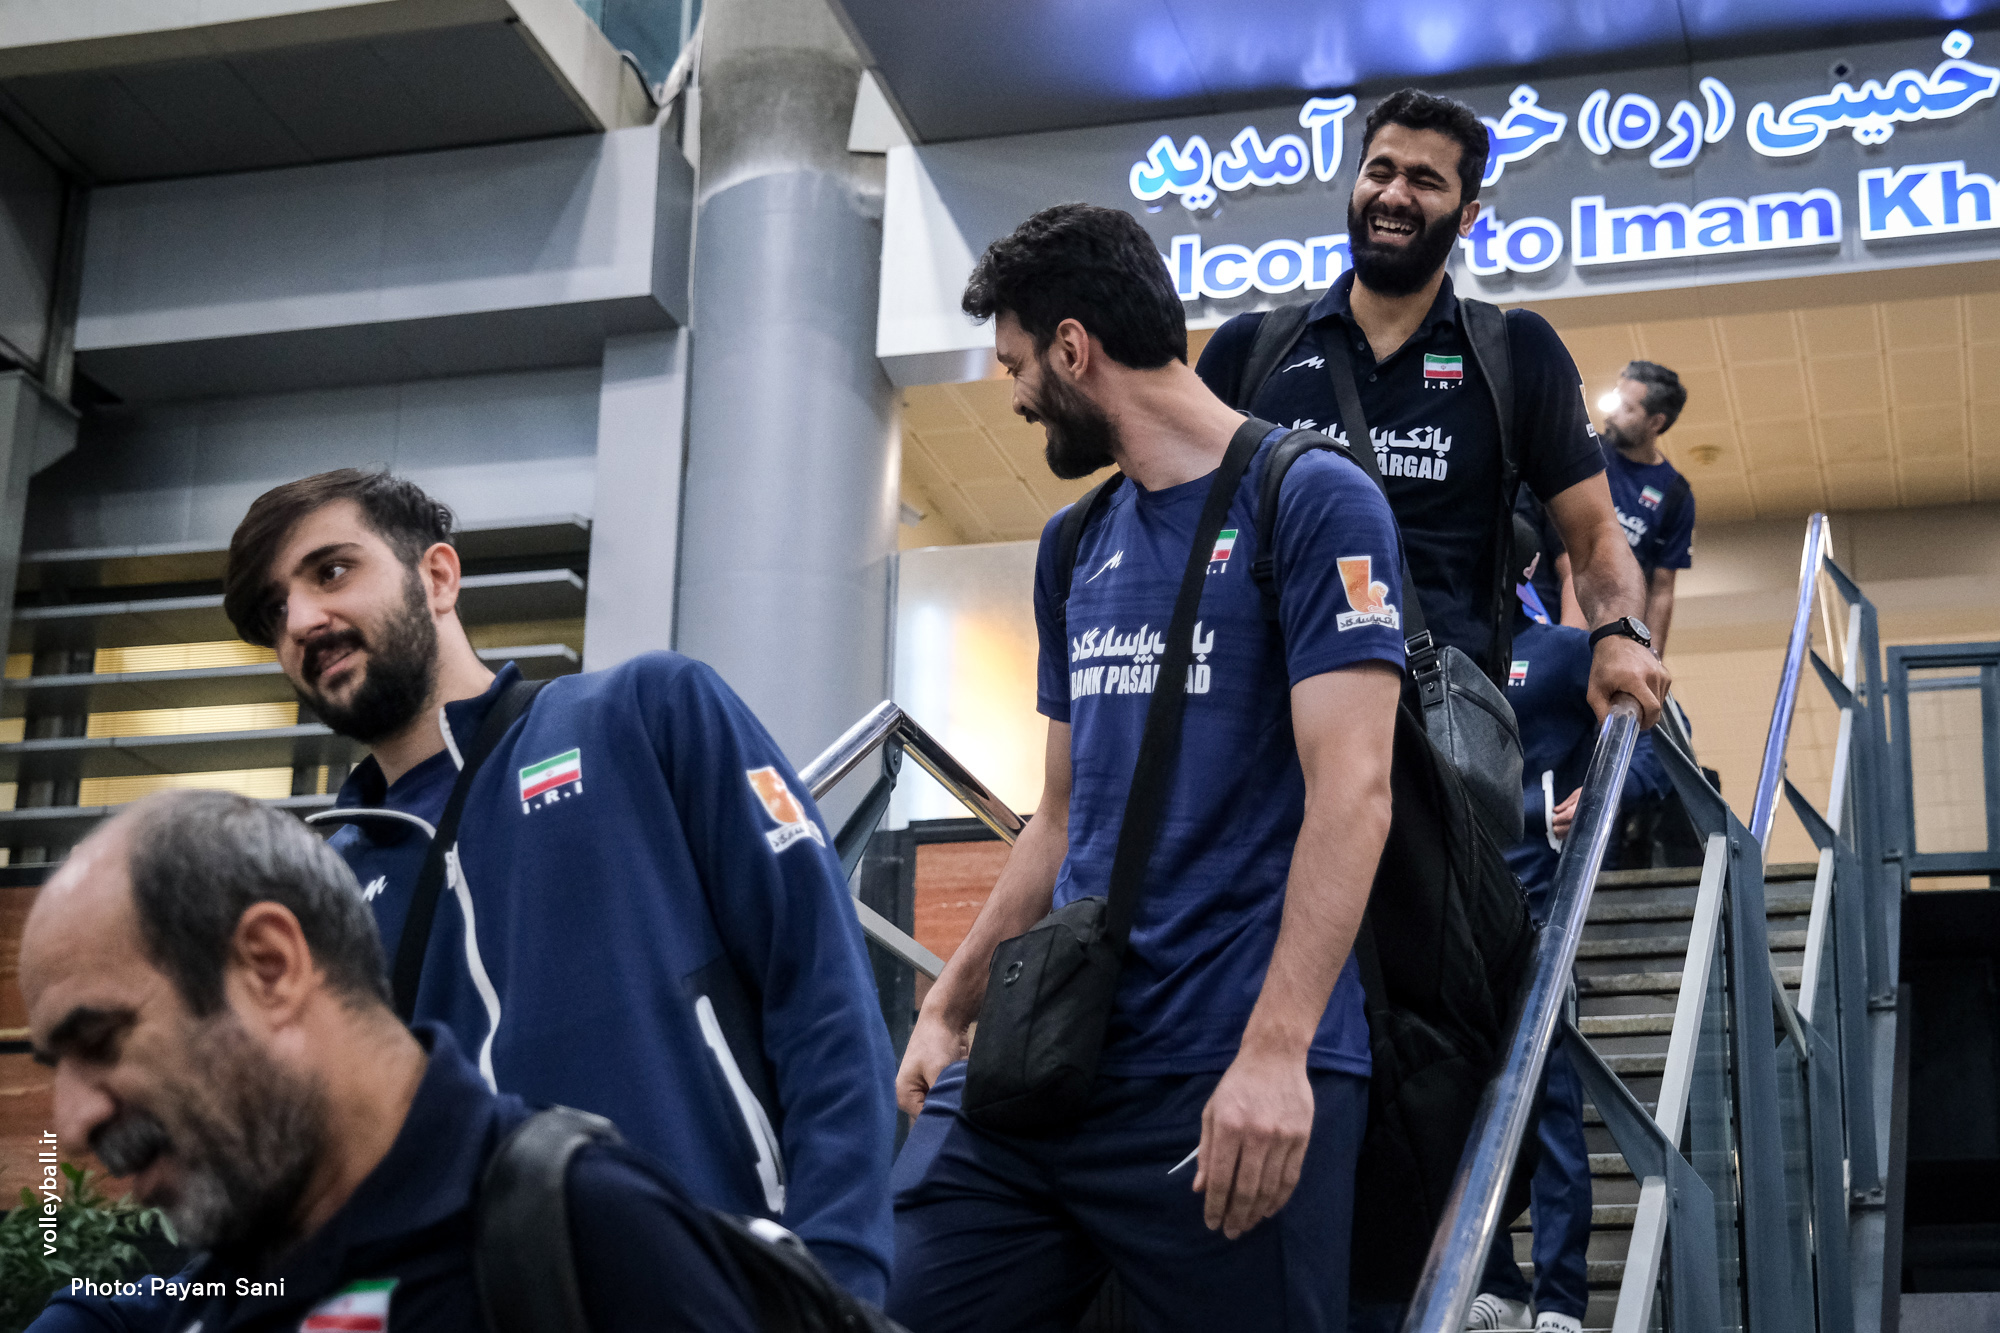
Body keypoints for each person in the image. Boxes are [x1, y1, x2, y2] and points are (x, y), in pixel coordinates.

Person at [886, 203, 1402, 1331]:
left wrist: (1277, 1054)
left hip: (1229, 1068)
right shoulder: (1073, 544)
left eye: (1017, 365)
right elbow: (1057, 819)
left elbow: (1354, 791)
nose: (1016, 396)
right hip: (1048, 1062)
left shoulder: (1312, 498)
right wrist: (948, 1005)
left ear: (1073, 349)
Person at [20, 790, 761, 1332]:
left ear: (270, 967)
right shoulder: (225, 1288)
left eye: (101, 1041)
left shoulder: (583, 1237)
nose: (73, 1125)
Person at [1196, 88, 1669, 726]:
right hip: (1252, 713)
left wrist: (1621, 634)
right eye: (1380, 171)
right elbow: (1176, 525)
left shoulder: (1514, 351)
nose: (1395, 195)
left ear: (1467, 215)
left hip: (1432, 728)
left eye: (1425, 181)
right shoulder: (1249, 350)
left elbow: (1594, 536)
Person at [1465, 520, 1670, 1333]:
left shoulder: (1564, 651)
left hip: (1541, 916)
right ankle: (1496, 1282)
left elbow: (1654, 746)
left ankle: (1558, 1300)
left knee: (1550, 1110)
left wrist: (1604, 790)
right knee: (1458, 1107)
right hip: (1457, 922)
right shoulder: (1438, 658)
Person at [1598, 361, 1695, 657]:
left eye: (1628, 409)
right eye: (1616, 401)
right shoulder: (1586, 452)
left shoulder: (1675, 494)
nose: (1613, 414)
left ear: (1655, 422)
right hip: (1555, 609)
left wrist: (1652, 657)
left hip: (1618, 628)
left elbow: (1663, 589)